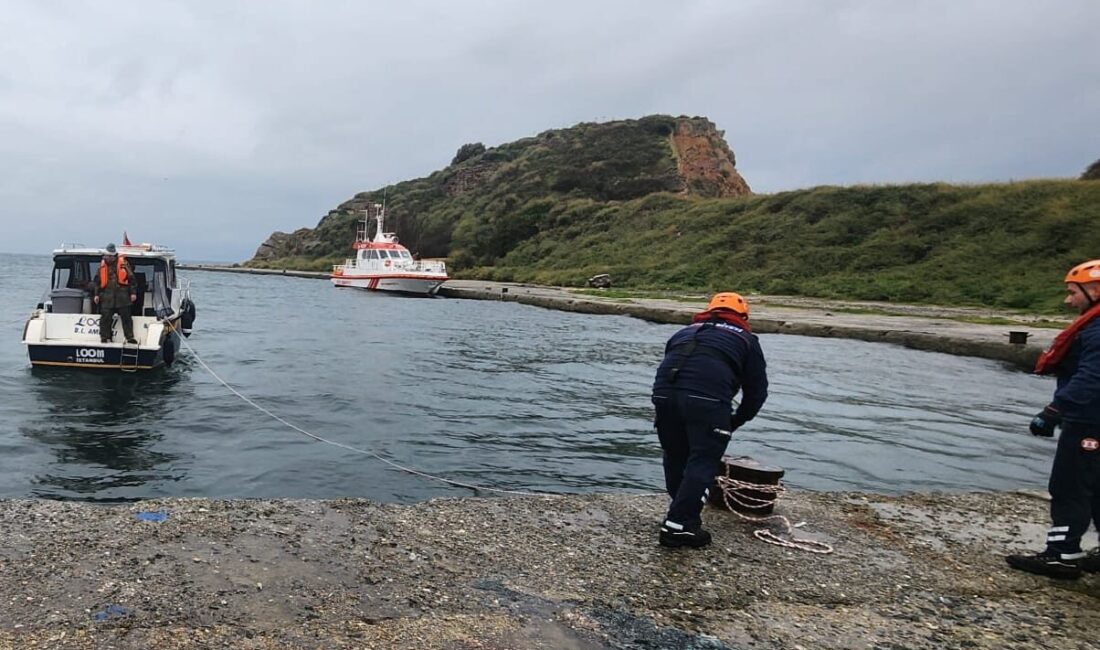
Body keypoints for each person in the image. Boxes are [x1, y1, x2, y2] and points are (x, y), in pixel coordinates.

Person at [651, 292, 769, 548]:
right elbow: (757, 392)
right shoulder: (746, 340)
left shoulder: (683, 333)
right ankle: (679, 525)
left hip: (663, 395)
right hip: (707, 400)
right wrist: (736, 420)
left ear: (709, 310)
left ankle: (681, 512)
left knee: (675, 455)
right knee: (703, 460)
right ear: (743, 316)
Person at [1006, 259, 1100, 579]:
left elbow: (1091, 378)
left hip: (1089, 421)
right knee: (1097, 485)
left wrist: (1054, 411)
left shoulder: (1097, 330)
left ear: (1095, 291)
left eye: (1073, 293)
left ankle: (1061, 555)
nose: (1068, 300)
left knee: (1070, 485)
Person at [93, 243, 138, 345]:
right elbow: (97, 282)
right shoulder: (101, 267)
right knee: (105, 318)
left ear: (113, 256)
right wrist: (96, 294)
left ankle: (129, 337)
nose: (106, 257)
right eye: (105, 255)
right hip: (107, 297)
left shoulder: (124, 264)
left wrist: (133, 293)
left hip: (123, 297)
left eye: (108, 256)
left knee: (126, 318)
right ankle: (105, 337)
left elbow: (132, 280)